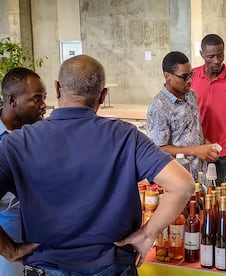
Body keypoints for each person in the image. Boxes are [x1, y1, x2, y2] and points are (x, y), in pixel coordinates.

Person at [0, 54, 195, 275]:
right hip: (112, 265)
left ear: (57, 88)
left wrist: (10, 250)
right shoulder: (125, 136)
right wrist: (147, 234)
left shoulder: (17, 143)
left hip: (47, 265)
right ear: (103, 95)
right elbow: (182, 185)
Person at [0, 67, 47, 275]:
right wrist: (9, 249)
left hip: (38, 227)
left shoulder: (37, 133)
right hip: (7, 231)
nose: (44, 105)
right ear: (12, 100)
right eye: (36, 99)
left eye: (44, 98)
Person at [147, 51, 219, 180]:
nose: (190, 81)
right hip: (178, 177)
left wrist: (207, 146)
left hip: (200, 173)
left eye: (191, 75)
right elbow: (159, 148)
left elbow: (193, 130)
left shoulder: (191, 95)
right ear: (167, 76)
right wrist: (195, 150)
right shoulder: (159, 107)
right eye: (184, 77)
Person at [191, 34, 226, 186]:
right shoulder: (191, 77)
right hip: (193, 151)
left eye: (220, 55)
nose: (217, 61)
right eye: (211, 56)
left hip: (219, 154)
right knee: (190, 200)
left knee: (213, 203)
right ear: (202, 54)